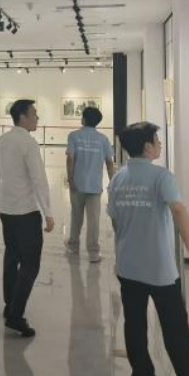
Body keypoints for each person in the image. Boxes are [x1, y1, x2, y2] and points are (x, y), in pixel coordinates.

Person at [108, 122, 189, 376]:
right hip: (159, 269)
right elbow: (178, 209)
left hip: (128, 266)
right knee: (175, 328)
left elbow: (114, 219)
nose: (160, 145)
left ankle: (142, 374)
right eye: (157, 141)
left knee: (134, 324)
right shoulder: (161, 176)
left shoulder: (118, 178)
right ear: (147, 147)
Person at [0, 99, 54, 337]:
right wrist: (48, 212)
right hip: (26, 212)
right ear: (23, 117)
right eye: (34, 114)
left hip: (8, 211)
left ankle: (10, 305)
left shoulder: (3, 140)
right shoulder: (28, 143)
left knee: (12, 256)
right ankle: (16, 316)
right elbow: (38, 179)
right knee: (30, 264)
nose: (37, 118)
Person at [65, 106, 114, 263]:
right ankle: (93, 252)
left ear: (83, 119)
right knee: (94, 220)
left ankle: (73, 246)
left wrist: (70, 179)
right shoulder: (103, 139)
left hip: (77, 184)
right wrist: (113, 182)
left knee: (76, 216)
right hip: (94, 186)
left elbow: (70, 158)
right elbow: (109, 163)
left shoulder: (74, 136)